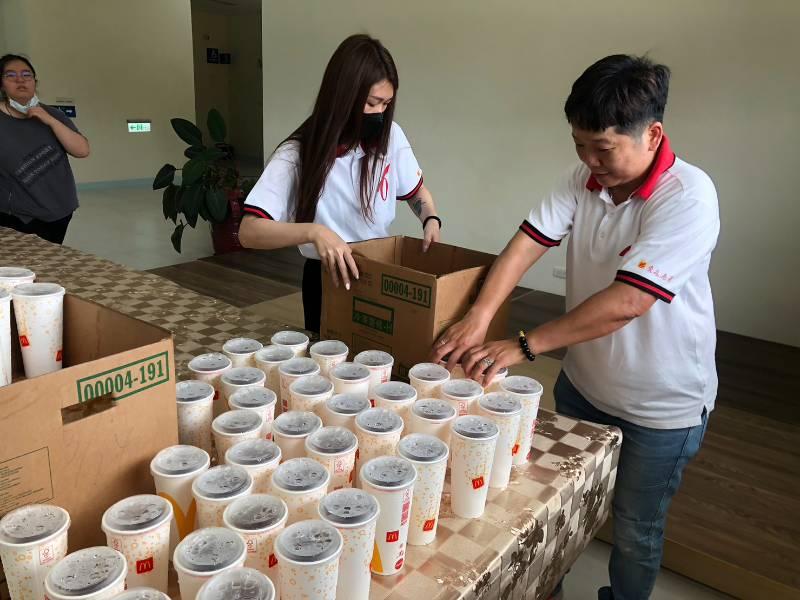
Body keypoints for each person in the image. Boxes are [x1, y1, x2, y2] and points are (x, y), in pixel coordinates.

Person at [432, 55, 719, 600]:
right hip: (584, 386)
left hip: (661, 407)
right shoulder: (581, 180)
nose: (590, 160)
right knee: (554, 504)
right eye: (579, 146)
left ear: (652, 134)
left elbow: (629, 301)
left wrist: (525, 343)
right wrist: (479, 316)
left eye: (603, 148)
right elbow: (526, 244)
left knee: (635, 529)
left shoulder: (689, 196)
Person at [238, 34, 441, 332]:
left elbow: (415, 191)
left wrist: (430, 217)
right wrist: (313, 232)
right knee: (328, 365)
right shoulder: (299, 153)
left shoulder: (391, 136)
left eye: (386, 104)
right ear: (343, 95)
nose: (380, 114)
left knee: (381, 363)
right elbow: (249, 231)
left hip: (379, 271)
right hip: (326, 278)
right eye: (372, 103)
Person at [0, 54, 89, 244]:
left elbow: (82, 150)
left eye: (27, 75)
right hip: (18, 216)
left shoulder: (53, 114)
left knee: (50, 264)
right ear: (2, 84)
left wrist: (49, 120)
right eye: (11, 75)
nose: (20, 80)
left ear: (35, 82)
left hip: (60, 210)